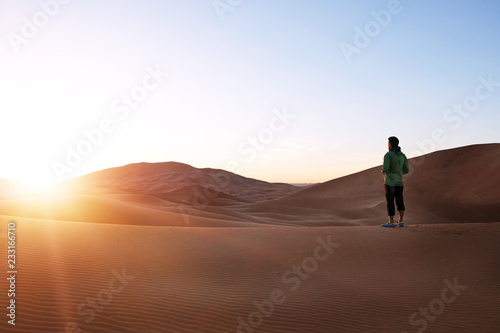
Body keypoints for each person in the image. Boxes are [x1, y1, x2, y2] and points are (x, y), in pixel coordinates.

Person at [381, 136, 409, 228]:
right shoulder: (402, 155)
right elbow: (406, 169)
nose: (387, 144)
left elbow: (386, 168)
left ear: (390, 144)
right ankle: (400, 221)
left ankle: (391, 222)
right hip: (399, 182)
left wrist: (383, 172)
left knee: (390, 201)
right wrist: (399, 173)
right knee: (400, 200)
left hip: (389, 182)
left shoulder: (388, 155)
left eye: (388, 143)